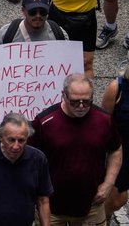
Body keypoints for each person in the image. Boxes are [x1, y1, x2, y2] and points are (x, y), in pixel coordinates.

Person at [31, 74, 123, 226]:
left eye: (87, 101)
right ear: (63, 96)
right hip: (51, 207)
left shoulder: (104, 120)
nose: (81, 106)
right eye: (74, 102)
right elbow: (29, 157)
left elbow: (116, 150)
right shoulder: (44, 122)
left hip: (91, 205)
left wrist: (108, 183)